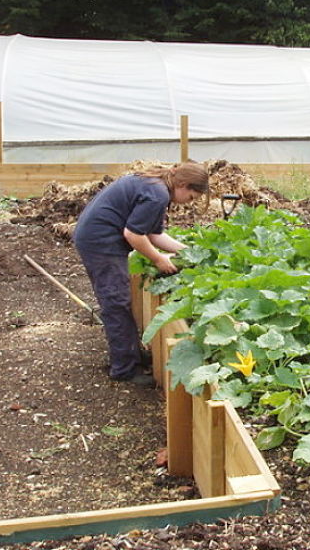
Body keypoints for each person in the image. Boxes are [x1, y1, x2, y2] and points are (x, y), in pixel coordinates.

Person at [73, 162, 209, 386]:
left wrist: (189, 252)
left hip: (98, 235)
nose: (189, 203)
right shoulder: (157, 195)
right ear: (182, 184)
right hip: (100, 242)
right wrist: (158, 259)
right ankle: (124, 368)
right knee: (116, 302)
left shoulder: (155, 186)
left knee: (118, 301)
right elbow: (134, 235)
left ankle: (131, 354)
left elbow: (154, 234)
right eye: (192, 197)